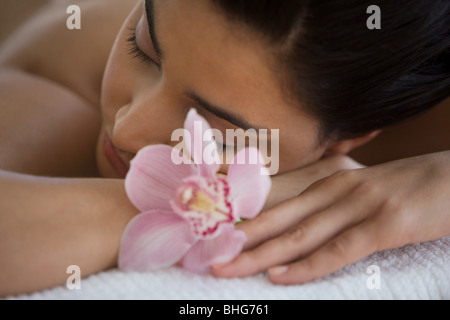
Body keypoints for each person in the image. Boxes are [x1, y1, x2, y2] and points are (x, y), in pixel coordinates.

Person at [0, 0, 448, 296]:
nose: (127, 130)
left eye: (215, 132)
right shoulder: (56, 103)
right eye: (143, 50)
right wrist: (202, 206)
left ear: (348, 139)